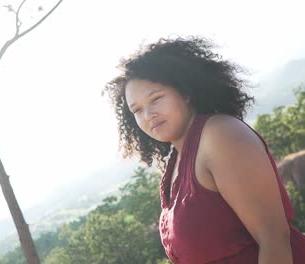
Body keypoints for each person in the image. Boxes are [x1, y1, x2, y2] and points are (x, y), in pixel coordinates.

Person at [104, 36, 305, 263]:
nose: (148, 115)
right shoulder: (176, 161)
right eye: (137, 110)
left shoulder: (219, 135)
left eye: (156, 98)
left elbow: (275, 239)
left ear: (184, 91)